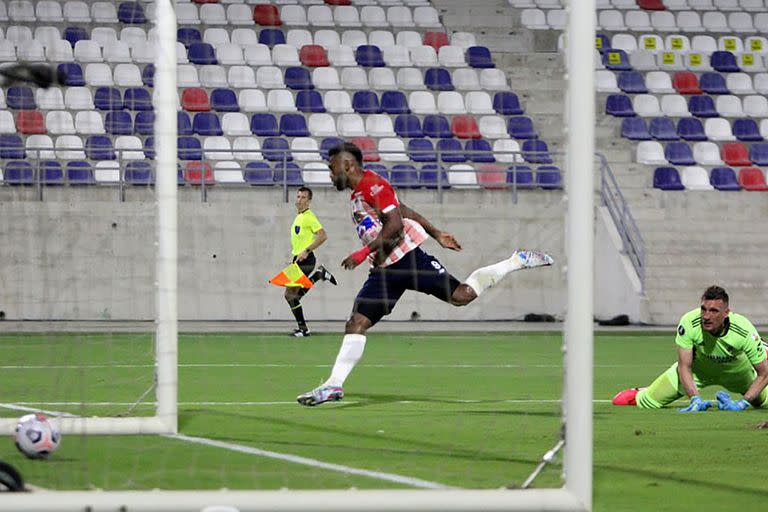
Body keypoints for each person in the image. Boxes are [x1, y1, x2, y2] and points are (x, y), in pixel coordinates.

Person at [296, 142, 554, 406]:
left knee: (461, 296)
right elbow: (403, 209)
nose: (329, 173)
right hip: (384, 270)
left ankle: (514, 261)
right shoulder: (360, 193)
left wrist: (362, 254)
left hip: (408, 259)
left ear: (347, 165)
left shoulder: (374, 185)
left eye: (331, 167)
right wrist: (436, 233)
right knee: (356, 323)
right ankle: (333, 386)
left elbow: (395, 225)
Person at [612, 285, 768, 412]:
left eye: (714, 311)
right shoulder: (689, 322)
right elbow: (684, 366)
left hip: (739, 374)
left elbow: (764, 373)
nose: (706, 316)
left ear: (726, 313)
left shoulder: (744, 330)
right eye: (704, 309)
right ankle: (643, 390)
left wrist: (743, 404)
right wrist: (695, 398)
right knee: (637, 402)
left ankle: (763, 349)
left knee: (761, 403)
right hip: (698, 372)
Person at [284, 186, 337, 337]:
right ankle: (319, 274)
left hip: (306, 260)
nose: (299, 200)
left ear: (309, 201)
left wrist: (306, 251)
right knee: (293, 296)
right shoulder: (299, 216)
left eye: (303, 198)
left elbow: (322, 235)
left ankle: (304, 329)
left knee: (290, 296)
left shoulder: (309, 216)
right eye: (298, 197)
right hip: (297, 260)